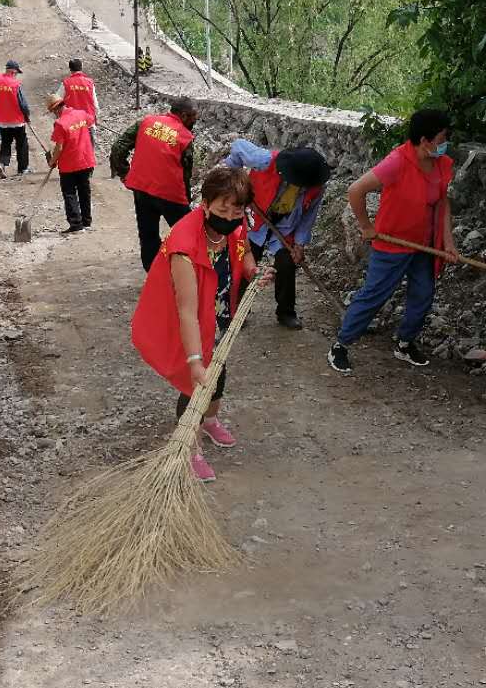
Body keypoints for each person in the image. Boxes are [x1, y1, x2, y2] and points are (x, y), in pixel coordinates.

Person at [131, 167, 261, 483]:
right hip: (187, 316)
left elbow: (243, 250)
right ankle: (189, 447)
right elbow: (187, 312)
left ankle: (211, 420)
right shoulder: (183, 247)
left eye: (236, 210)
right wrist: (193, 361)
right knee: (196, 382)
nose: (229, 216)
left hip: (217, 309)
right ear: (204, 204)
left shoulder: (235, 223)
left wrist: (253, 272)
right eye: (222, 209)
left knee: (219, 369)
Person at [327, 109, 458, 375]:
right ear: (425, 140)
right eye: (443, 137)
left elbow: (442, 203)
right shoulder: (397, 162)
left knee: (423, 293)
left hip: (424, 245)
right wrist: (366, 226)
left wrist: (448, 242)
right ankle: (340, 345)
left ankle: (405, 342)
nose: (446, 142)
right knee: (375, 294)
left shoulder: (441, 163)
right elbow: (355, 190)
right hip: (392, 243)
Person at [224, 141, 331, 330]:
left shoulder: (315, 186)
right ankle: (236, 310)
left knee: (287, 264)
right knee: (244, 262)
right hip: (255, 219)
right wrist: (236, 181)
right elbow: (238, 146)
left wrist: (299, 244)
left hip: (284, 228)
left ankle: (286, 312)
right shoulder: (265, 160)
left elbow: (308, 217)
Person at [111, 96, 200, 272]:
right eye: (193, 117)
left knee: (148, 234)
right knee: (190, 234)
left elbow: (118, 148)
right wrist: (187, 200)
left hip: (142, 189)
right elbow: (185, 174)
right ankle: (191, 273)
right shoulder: (184, 137)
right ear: (183, 115)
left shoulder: (146, 122)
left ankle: (153, 274)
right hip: (171, 195)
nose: (195, 121)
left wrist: (124, 173)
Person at [46, 89, 96, 233]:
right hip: (86, 160)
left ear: (55, 110)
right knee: (84, 191)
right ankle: (87, 222)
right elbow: (91, 121)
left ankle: (76, 224)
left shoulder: (60, 124)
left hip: (70, 164)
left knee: (69, 193)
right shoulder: (80, 114)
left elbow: (59, 147)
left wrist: (52, 161)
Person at [0, 60, 32, 178]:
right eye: (16, 73)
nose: (16, 75)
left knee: (5, 143)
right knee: (21, 143)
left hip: (2, 120)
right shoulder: (15, 84)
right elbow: (23, 104)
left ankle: (2, 164)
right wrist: (27, 116)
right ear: (13, 72)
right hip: (17, 120)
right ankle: (23, 168)